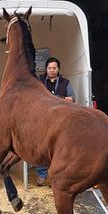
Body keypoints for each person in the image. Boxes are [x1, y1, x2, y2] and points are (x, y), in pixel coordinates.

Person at [36, 57, 75, 186]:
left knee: (58, 149)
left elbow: (72, 99)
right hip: (42, 120)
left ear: (58, 69)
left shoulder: (65, 82)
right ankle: (41, 175)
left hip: (61, 121)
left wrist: (60, 98)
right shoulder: (39, 81)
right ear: (46, 69)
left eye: (54, 68)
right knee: (41, 148)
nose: (52, 70)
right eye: (49, 68)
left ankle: (55, 176)